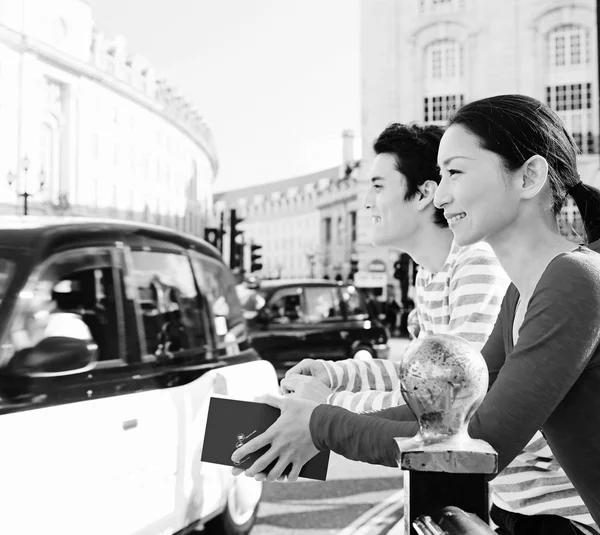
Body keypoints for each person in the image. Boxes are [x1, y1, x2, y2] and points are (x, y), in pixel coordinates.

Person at [231, 98, 600, 533]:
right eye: (440, 176)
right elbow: (451, 410)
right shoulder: (522, 293)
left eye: (456, 172)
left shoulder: (574, 280)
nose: (440, 196)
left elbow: (480, 443)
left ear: (529, 176)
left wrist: (320, 423)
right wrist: (305, 427)